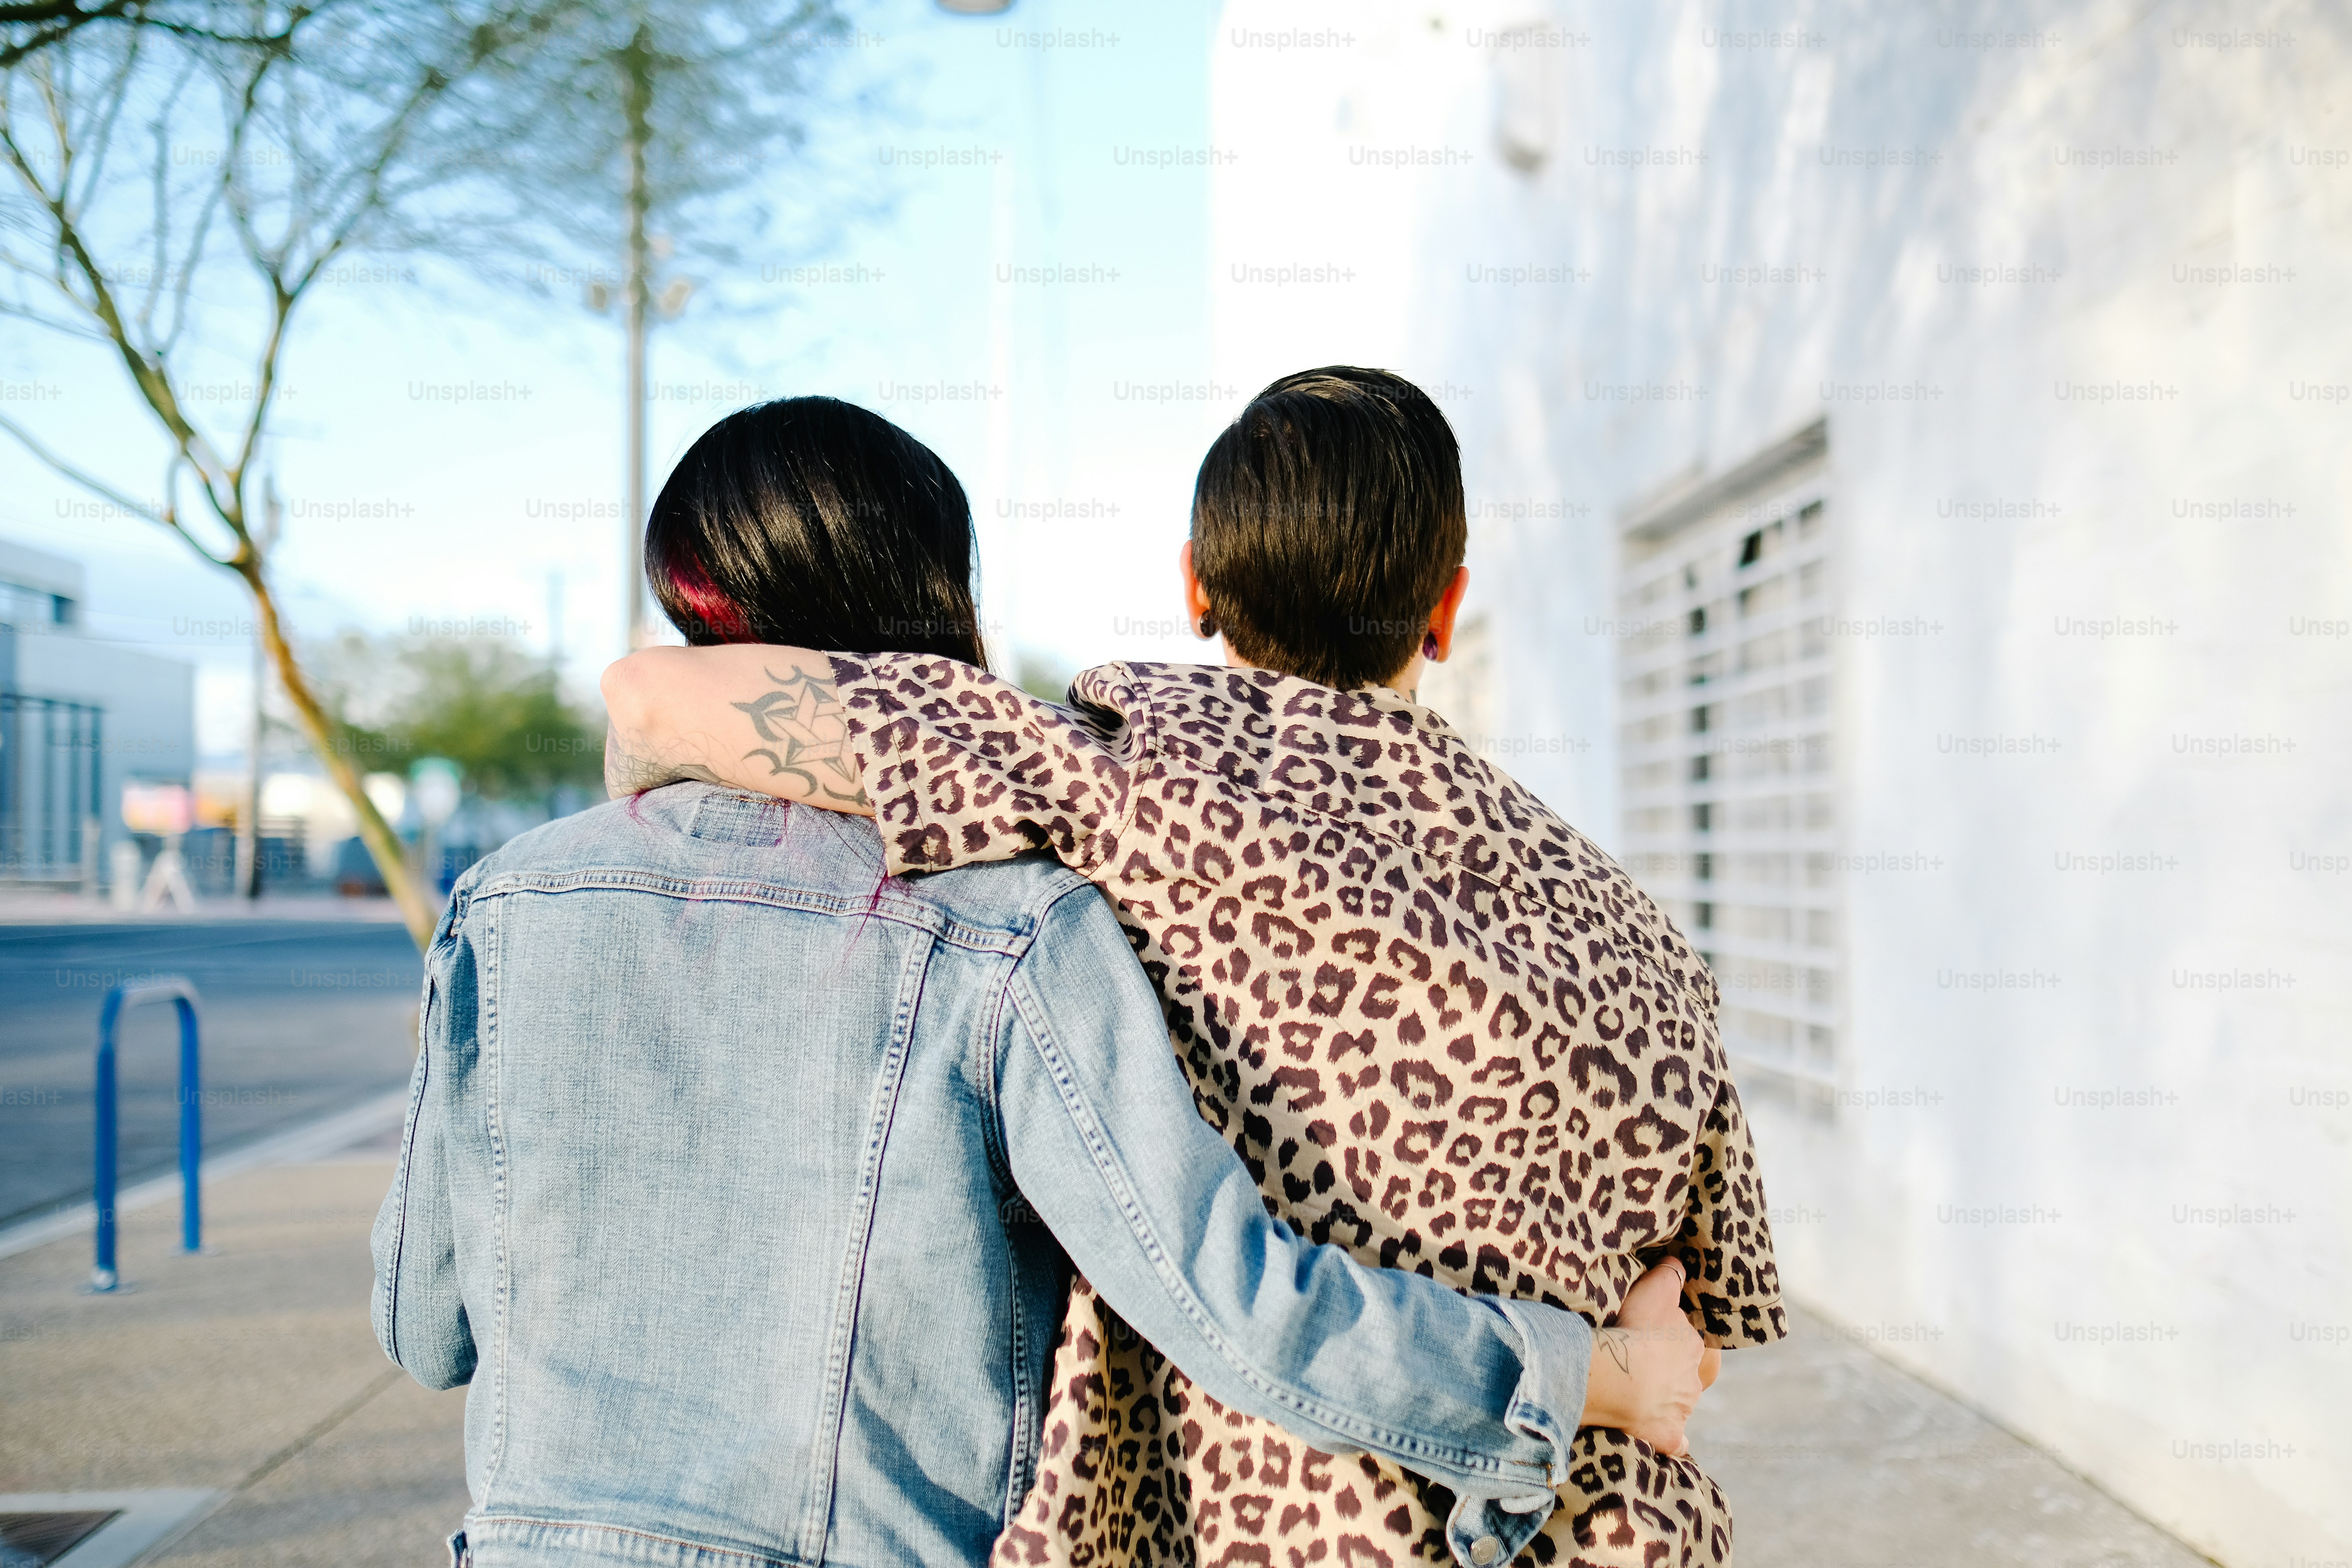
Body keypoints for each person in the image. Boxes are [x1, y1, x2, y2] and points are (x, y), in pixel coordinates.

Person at [374, 396, 1709, 1568]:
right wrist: (1580, 1375)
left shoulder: (507, 905)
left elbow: (421, 1327)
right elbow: (1228, 1304)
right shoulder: (1015, 926)